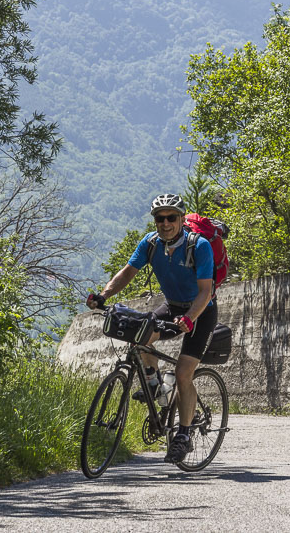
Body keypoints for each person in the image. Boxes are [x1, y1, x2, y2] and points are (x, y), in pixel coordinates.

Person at [86, 193, 218, 464]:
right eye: (160, 218)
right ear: (155, 221)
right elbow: (127, 272)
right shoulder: (150, 244)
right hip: (172, 305)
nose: (165, 223)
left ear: (181, 219)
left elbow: (207, 290)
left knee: (183, 373)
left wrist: (191, 317)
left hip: (201, 312)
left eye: (171, 217)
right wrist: (104, 296)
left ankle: (183, 435)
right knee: (140, 337)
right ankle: (156, 384)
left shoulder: (199, 245)